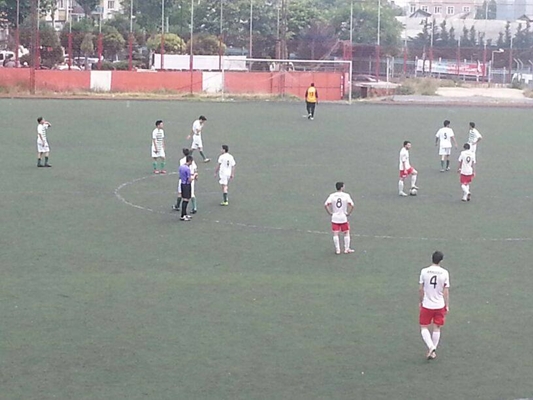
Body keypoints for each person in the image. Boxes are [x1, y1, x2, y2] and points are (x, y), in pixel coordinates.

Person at [419, 251, 450, 360]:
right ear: (441, 261)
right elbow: (446, 291)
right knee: (437, 327)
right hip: (439, 304)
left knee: (424, 326)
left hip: (427, 304)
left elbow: (421, 289)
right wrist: (446, 305)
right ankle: (433, 351)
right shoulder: (444, 273)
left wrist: (421, 301)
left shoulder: (424, 271)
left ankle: (431, 347)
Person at [324, 182, 355, 255]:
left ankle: (337, 250)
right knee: (346, 232)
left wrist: (330, 212)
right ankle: (346, 249)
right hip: (343, 217)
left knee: (335, 233)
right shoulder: (346, 195)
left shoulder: (332, 195)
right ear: (342, 187)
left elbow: (326, 205)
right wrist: (349, 213)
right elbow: (352, 205)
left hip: (335, 217)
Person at [173, 148, 199, 213]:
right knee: (192, 193)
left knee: (180, 192)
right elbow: (195, 168)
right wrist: (196, 175)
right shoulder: (192, 160)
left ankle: (177, 206)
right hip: (191, 176)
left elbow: (182, 169)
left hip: (184, 178)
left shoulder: (182, 160)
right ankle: (194, 207)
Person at [178, 155, 197, 221]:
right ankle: (183, 215)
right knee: (186, 200)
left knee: (185, 199)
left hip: (182, 184)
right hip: (187, 185)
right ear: (190, 161)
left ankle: (185, 214)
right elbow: (190, 180)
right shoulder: (187, 169)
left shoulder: (181, 167)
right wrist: (194, 176)